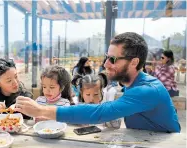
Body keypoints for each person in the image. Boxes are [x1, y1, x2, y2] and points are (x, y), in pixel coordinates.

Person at [14, 32, 181, 133]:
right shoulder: (132, 83)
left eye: (113, 59)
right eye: (107, 57)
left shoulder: (147, 90)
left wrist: (41, 110)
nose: (106, 64)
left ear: (134, 62)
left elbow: (100, 112)